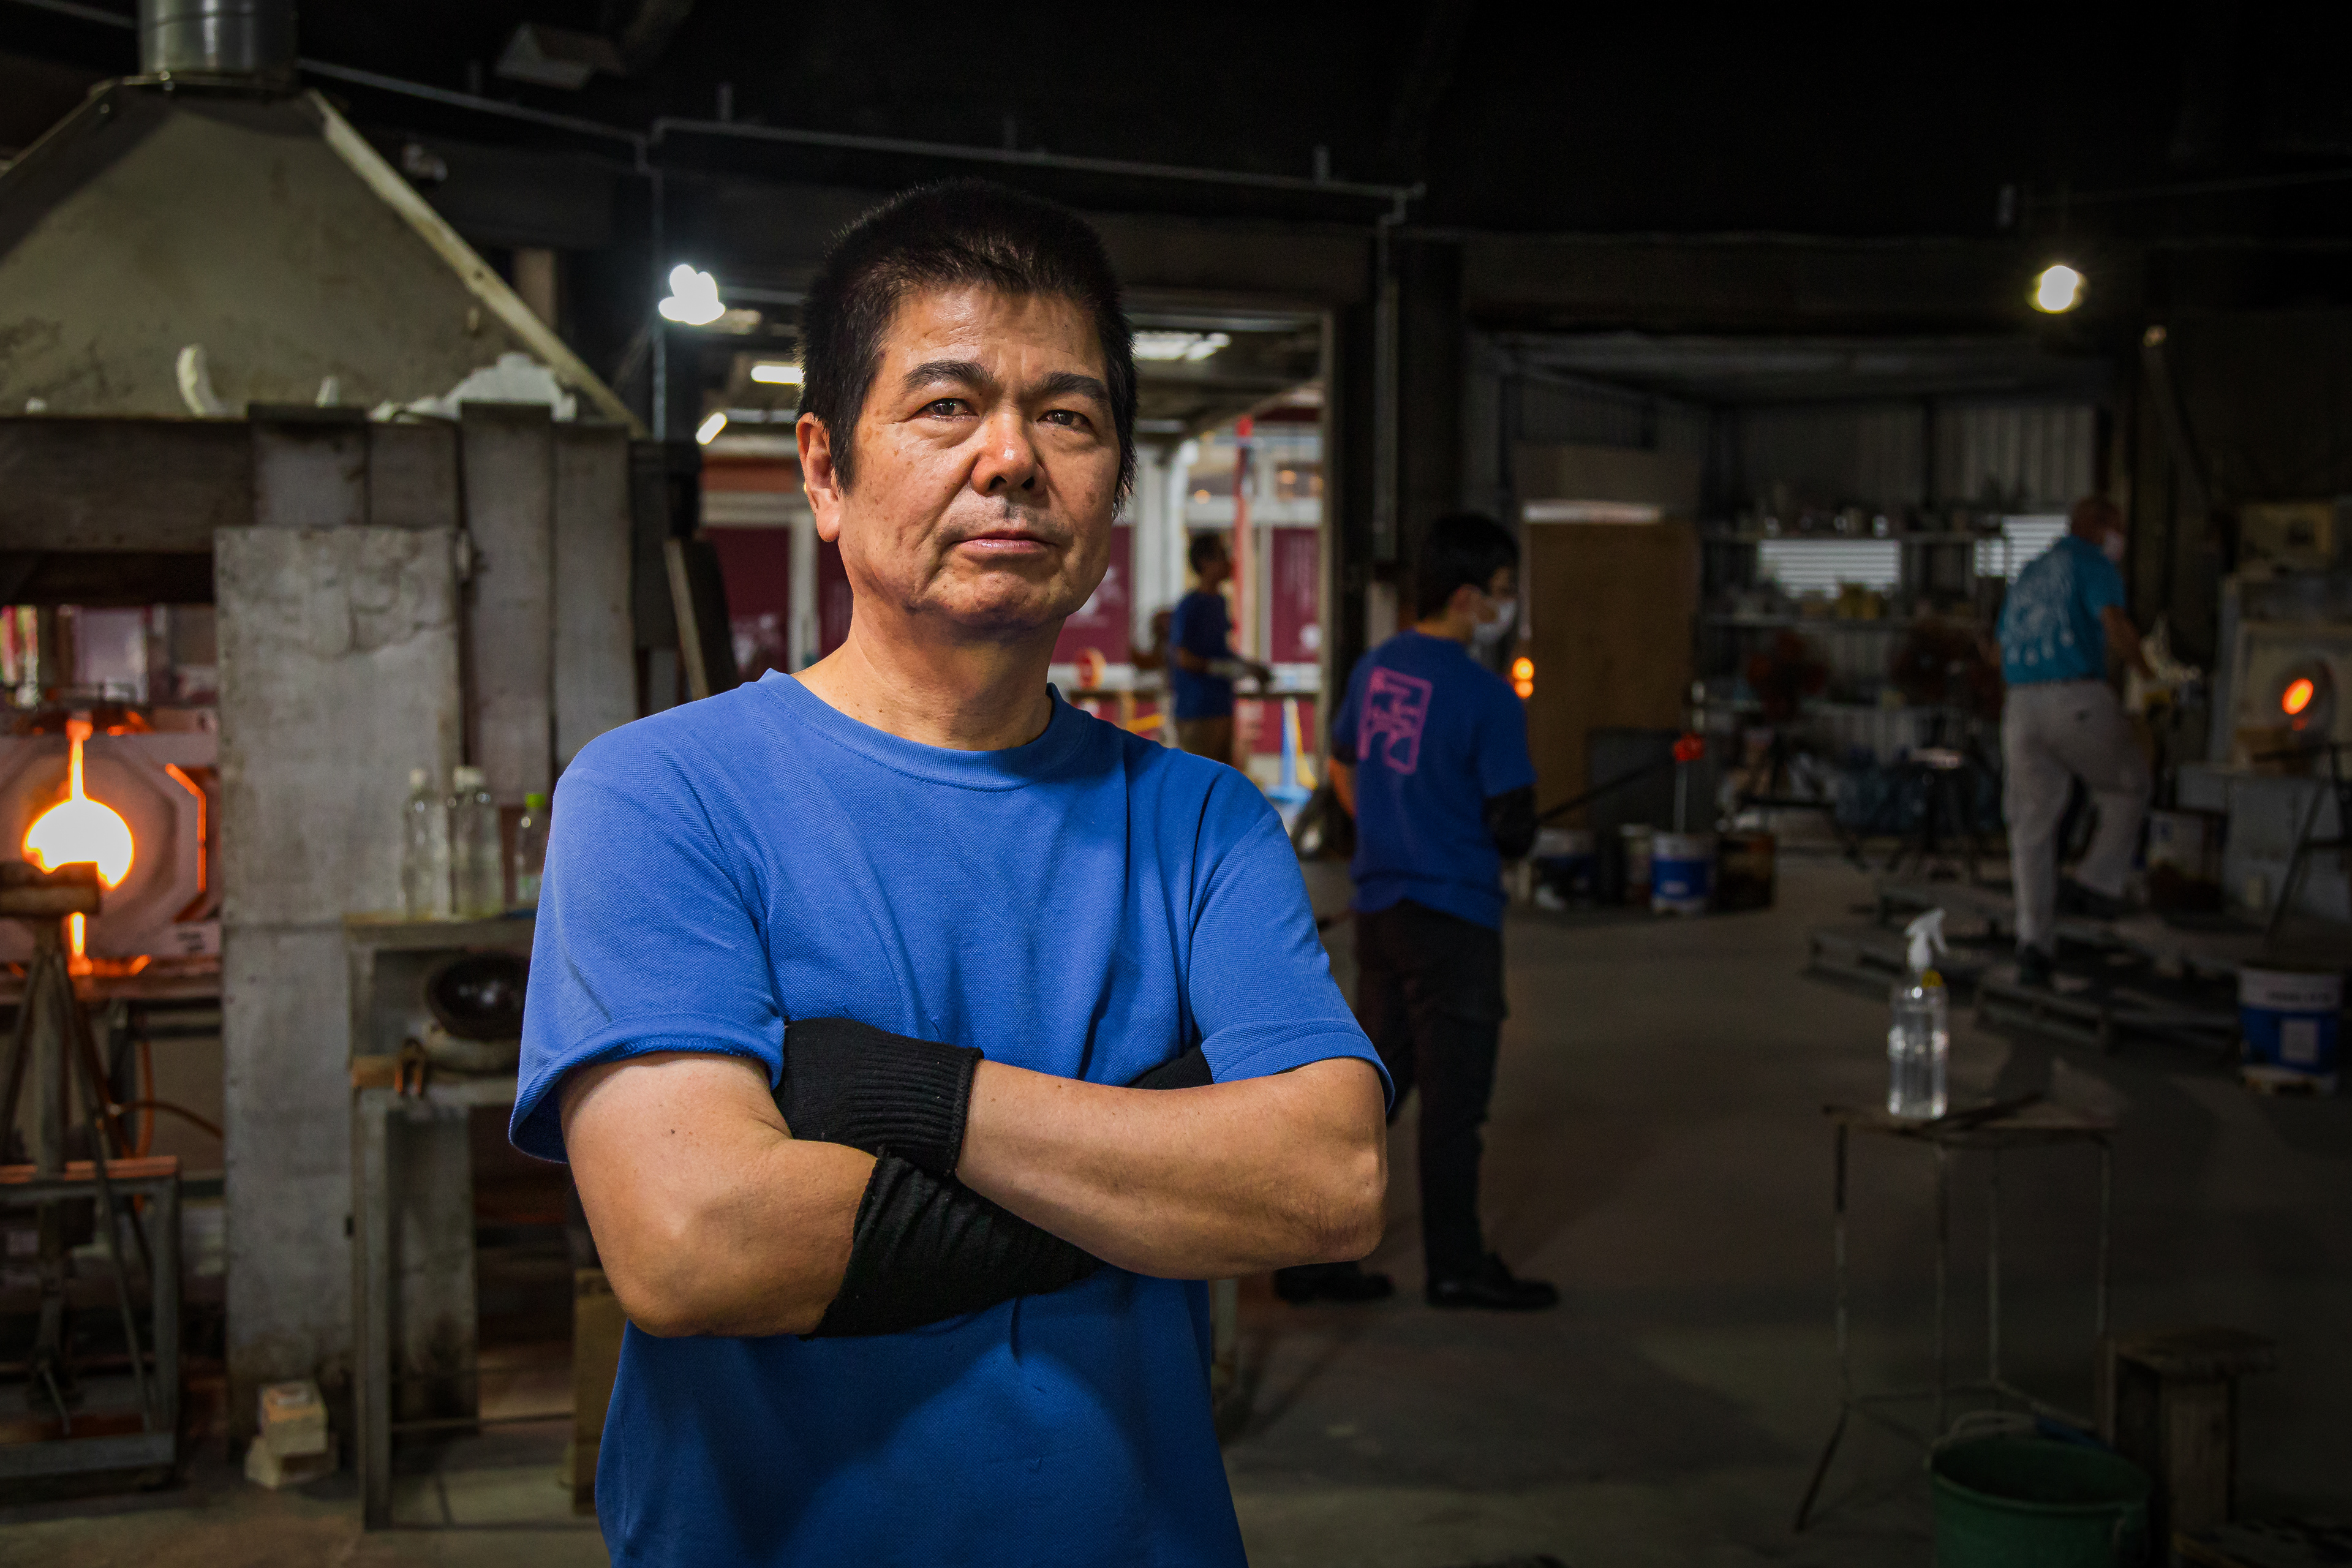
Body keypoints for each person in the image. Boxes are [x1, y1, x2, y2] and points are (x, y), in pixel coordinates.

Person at [513, 179, 1389, 1567]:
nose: (1013, 458)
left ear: (1111, 478)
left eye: (1069, 416)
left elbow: (1328, 1181)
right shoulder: (661, 795)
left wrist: (911, 1096)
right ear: (823, 469)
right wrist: (1158, 1163)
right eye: (945, 404)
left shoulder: (1203, 822)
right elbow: (694, 1241)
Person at [1278, 513, 1556, 1311]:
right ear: (1469, 597)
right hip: (1456, 919)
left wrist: (1388, 828)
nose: (1507, 605)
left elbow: (1343, 762)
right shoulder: (1486, 696)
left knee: (1374, 1092)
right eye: (1502, 590)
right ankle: (1457, 1267)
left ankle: (1312, 1258)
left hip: (1382, 911)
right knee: (1454, 1105)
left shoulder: (1377, 668)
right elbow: (1513, 826)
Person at [1996, 494, 2154, 987]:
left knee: (2031, 826)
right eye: (2118, 529)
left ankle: (2033, 943)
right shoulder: (2091, 563)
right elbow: (2115, 624)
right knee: (2130, 784)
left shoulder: (2030, 572)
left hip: (2019, 705)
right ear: (2100, 526)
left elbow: (1998, 644)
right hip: (2075, 698)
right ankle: (2097, 883)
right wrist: (2151, 674)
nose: (2120, 540)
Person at [1167, 531, 1272, 764]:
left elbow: (1220, 652)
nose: (1229, 562)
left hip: (1222, 708)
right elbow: (1184, 659)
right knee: (1202, 780)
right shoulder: (1190, 607)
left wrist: (1249, 668)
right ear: (1204, 563)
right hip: (1197, 712)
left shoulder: (1219, 603)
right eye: (1222, 555)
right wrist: (1229, 670)